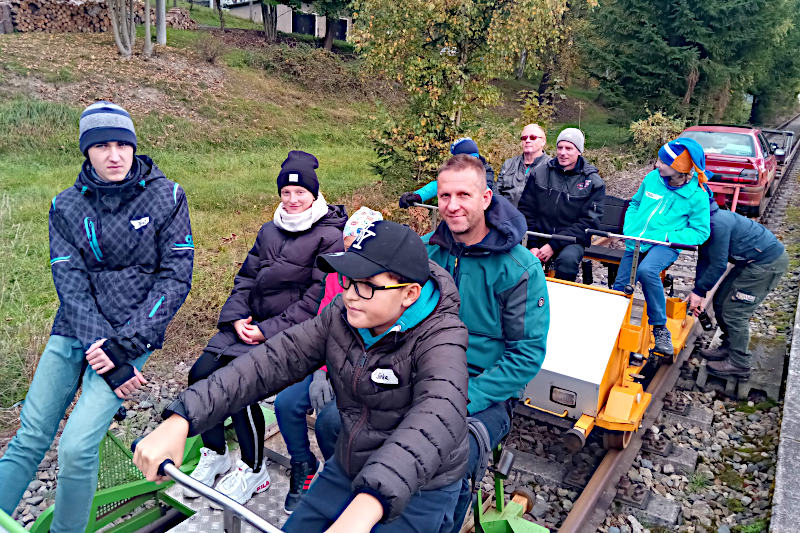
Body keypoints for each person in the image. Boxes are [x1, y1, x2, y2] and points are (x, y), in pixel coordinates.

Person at [132, 220, 470, 533]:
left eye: (367, 286)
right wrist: (182, 418)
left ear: (409, 294)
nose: (350, 293)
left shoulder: (441, 338)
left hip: (421, 485)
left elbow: (436, 417)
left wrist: (366, 506)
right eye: (348, 280)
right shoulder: (343, 315)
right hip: (351, 464)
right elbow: (271, 361)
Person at [0, 101, 194, 533]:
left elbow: (176, 278)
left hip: (130, 338)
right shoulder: (65, 206)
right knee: (30, 436)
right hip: (75, 330)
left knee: (75, 446)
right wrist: (98, 344)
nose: (114, 155)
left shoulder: (168, 196)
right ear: (86, 151)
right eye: (102, 146)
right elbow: (68, 281)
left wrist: (121, 349)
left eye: (122, 144)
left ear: (133, 146)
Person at [183, 150, 347, 505]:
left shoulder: (329, 237)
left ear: (314, 194)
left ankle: (253, 468)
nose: (292, 200)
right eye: (285, 193)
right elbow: (246, 278)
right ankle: (215, 452)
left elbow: (317, 300)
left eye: (300, 192)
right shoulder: (269, 230)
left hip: (288, 334)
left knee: (240, 387)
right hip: (250, 323)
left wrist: (266, 331)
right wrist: (236, 317)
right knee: (199, 376)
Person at [424, 154, 550, 532]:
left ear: (486, 198)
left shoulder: (519, 268)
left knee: (449, 454)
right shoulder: (429, 252)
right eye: (445, 196)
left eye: (464, 194)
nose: (452, 205)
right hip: (426, 370)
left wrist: (467, 396)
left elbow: (526, 355)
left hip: (483, 388)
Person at [274, 206, 383, 515]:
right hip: (331, 359)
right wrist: (322, 371)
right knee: (286, 403)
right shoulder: (338, 275)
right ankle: (303, 463)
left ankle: (342, 476)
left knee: (330, 422)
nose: (349, 258)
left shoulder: (385, 285)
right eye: (346, 250)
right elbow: (326, 323)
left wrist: (344, 377)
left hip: (361, 369)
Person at [612, 138, 711, 355]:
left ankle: (660, 328)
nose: (657, 165)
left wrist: (668, 236)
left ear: (678, 168)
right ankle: (611, 327)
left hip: (665, 245)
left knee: (647, 271)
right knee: (620, 287)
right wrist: (630, 227)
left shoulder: (697, 196)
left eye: (662, 162)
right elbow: (635, 203)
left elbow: (701, 232)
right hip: (637, 241)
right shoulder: (652, 178)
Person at [687, 189, 788, 378]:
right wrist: (697, 289)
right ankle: (729, 347)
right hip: (750, 261)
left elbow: (717, 265)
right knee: (719, 301)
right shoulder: (705, 222)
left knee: (735, 311)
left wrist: (700, 291)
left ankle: (740, 363)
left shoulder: (716, 224)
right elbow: (705, 258)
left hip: (766, 264)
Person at [517, 127, 605, 281]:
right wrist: (532, 244)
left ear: (579, 151)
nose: (563, 152)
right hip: (538, 235)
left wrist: (553, 245)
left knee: (567, 262)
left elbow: (589, 223)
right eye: (560, 147)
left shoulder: (593, 182)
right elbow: (526, 210)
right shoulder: (539, 173)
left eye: (569, 148)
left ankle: (561, 301)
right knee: (516, 257)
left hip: (571, 240)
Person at [398, 137, 495, 208]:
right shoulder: (456, 171)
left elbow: (483, 189)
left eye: (471, 159)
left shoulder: (485, 172)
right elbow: (440, 184)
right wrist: (417, 196)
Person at [495, 123, 549, 207]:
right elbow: (497, 192)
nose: (527, 140)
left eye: (532, 137)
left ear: (543, 142)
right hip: (508, 216)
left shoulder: (551, 166)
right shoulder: (509, 164)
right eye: (524, 138)